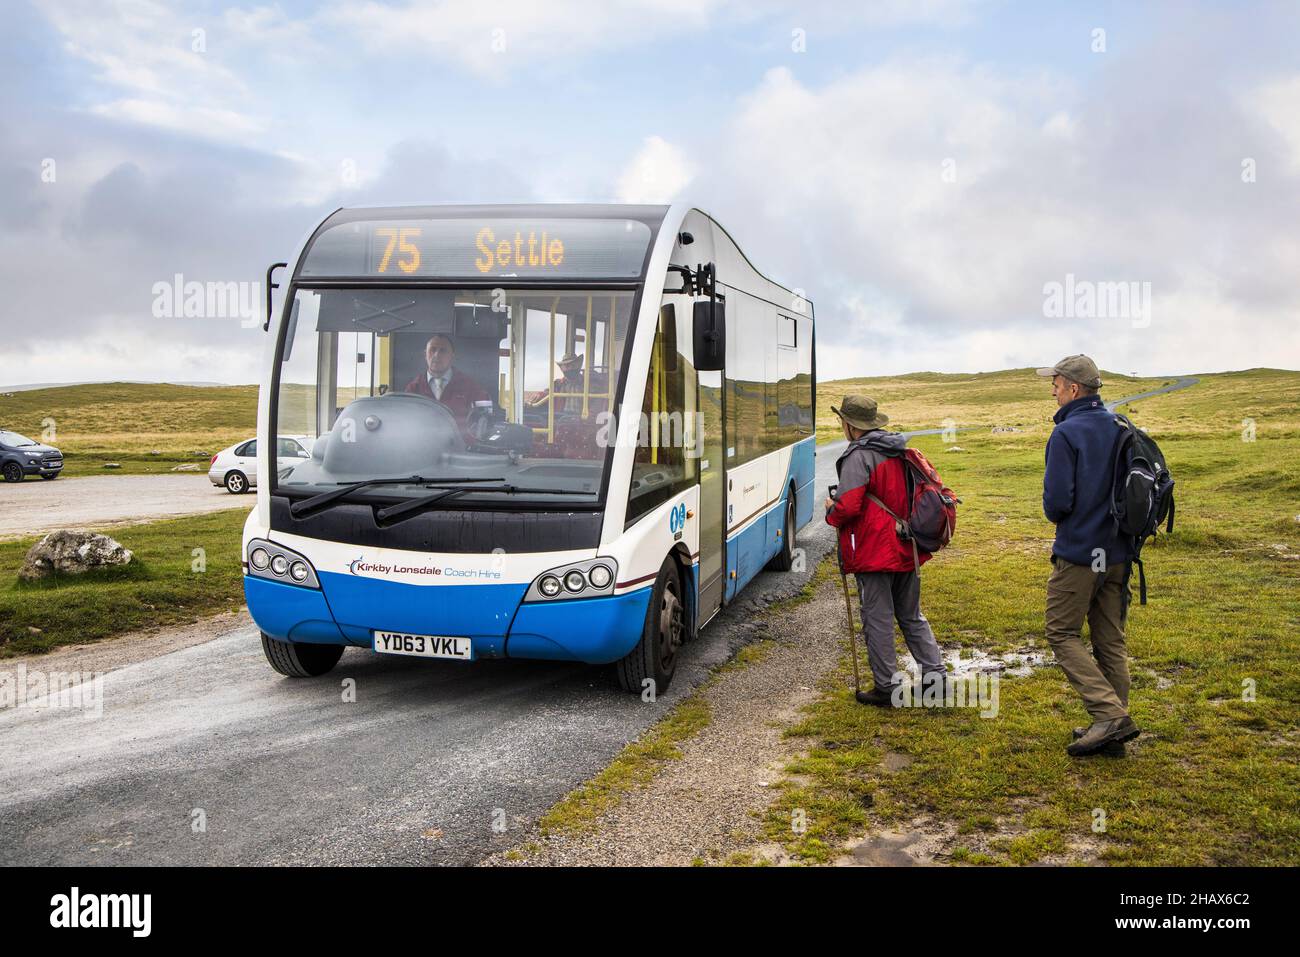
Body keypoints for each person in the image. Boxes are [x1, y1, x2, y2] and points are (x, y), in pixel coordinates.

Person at [1037, 354, 1142, 758]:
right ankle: (1113, 724)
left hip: (1080, 553)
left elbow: (1057, 504)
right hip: (1118, 552)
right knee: (1109, 639)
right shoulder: (1120, 427)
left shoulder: (1066, 434)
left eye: (1057, 383)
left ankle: (1109, 716)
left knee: (1061, 632)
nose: (1053, 389)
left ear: (1074, 389)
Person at [824, 394, 946, 707]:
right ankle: (937, 680)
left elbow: (848, 505)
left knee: (877, 617)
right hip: (908, 543)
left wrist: (831, 511)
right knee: (911, 615)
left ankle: (887, 687)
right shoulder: (900, 448)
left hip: (875, 549)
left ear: (850, 425)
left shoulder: (859, 456)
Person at [403, 334, 491, 427]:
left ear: (452, 356)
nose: (436, 355)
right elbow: (406, 424)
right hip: (423, 441)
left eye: (443, 351)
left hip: (459, 441)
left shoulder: (471, 387)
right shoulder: (413, 389)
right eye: (432, 350)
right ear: (425, 354)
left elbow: (484, 425)